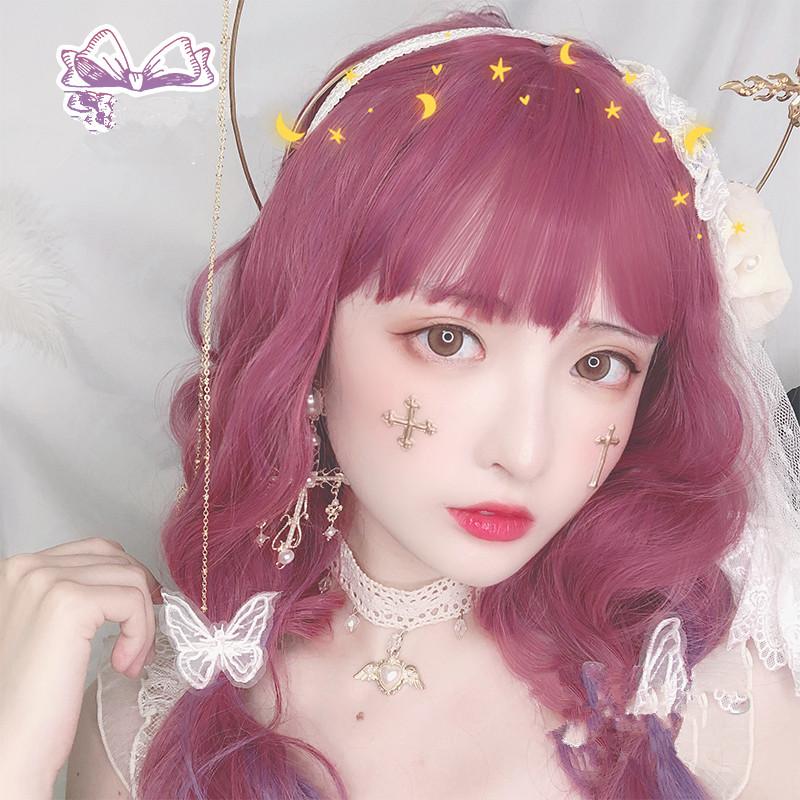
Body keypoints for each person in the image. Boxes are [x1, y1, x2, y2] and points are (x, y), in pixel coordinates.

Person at [1, 7, 798, 799]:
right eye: (449, 340)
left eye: (599, 363)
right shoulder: (152, 720)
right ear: (308, 344)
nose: (524, 452)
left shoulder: (709, 707)